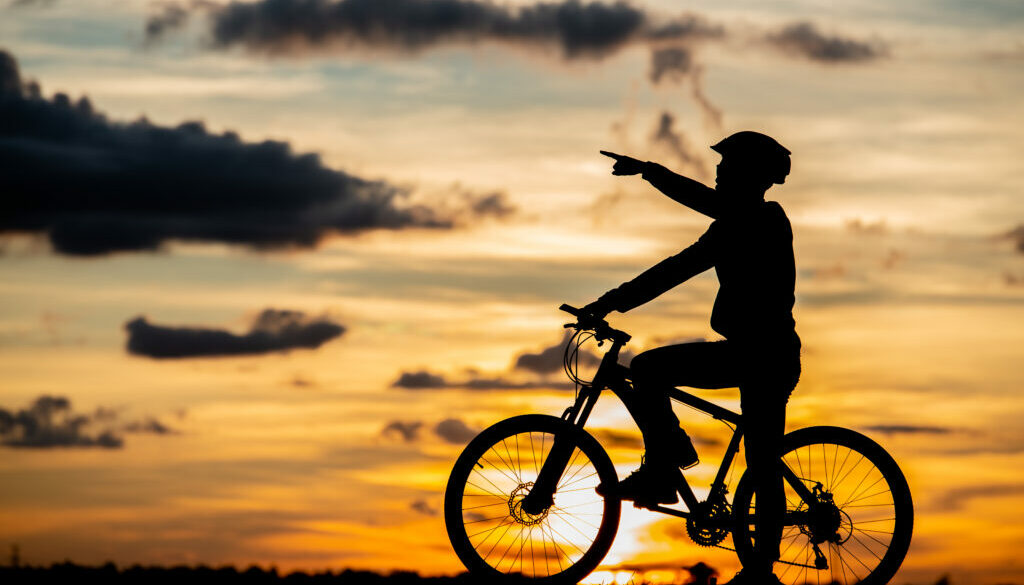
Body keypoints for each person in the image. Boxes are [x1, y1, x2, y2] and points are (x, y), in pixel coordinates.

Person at [586, 131, 801, 584]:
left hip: (765, 355)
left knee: (760, 459)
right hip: (752, 352)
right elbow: (676, 265)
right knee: (759, 455)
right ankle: (668, 461)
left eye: (727, 166)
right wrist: (612, 300)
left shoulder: (759, 220)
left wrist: (651, 172)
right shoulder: (734, 222)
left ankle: (670, 467)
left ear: (749, 176)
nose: (718, 172)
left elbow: (678, 260)